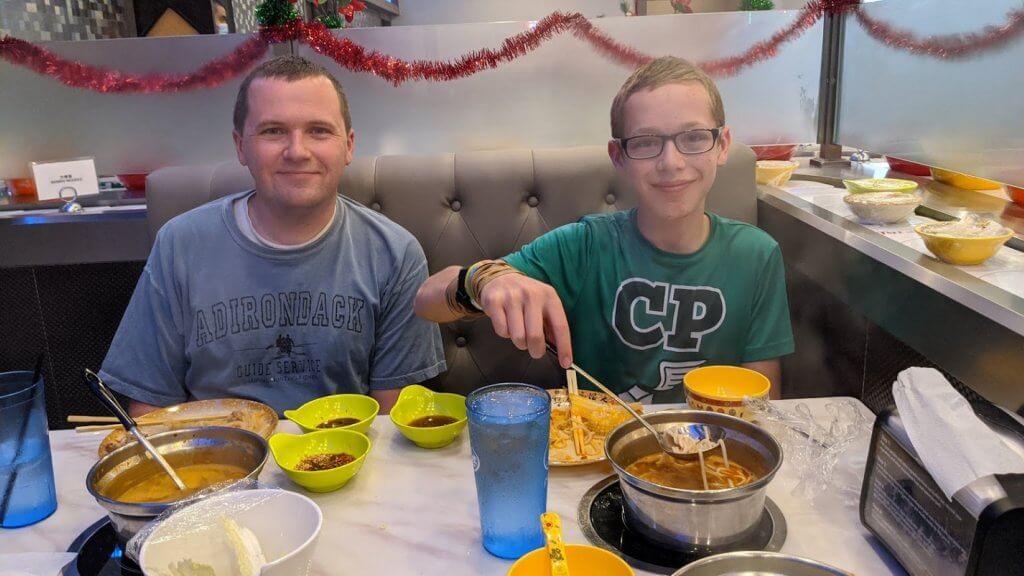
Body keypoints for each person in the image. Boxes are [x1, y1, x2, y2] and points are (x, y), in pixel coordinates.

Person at [414, 56, 793, 403]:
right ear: (619, 158)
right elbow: (427, 299)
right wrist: (483, 279)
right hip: (597, 451)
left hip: (716, 457)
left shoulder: (757, 254)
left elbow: (763, 405)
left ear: (722, 146)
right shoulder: (585, 246)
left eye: (693, 138)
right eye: (645, 143)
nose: (671, 162)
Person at [100, 55, 445, 416]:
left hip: (346, 459)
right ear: (240, 146)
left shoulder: (395, 253)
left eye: (319, 130)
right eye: (273, 131)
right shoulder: (179, 245)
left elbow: (393, 421)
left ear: (349, 145)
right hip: (218, 460)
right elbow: (151, 413)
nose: (297, 151)